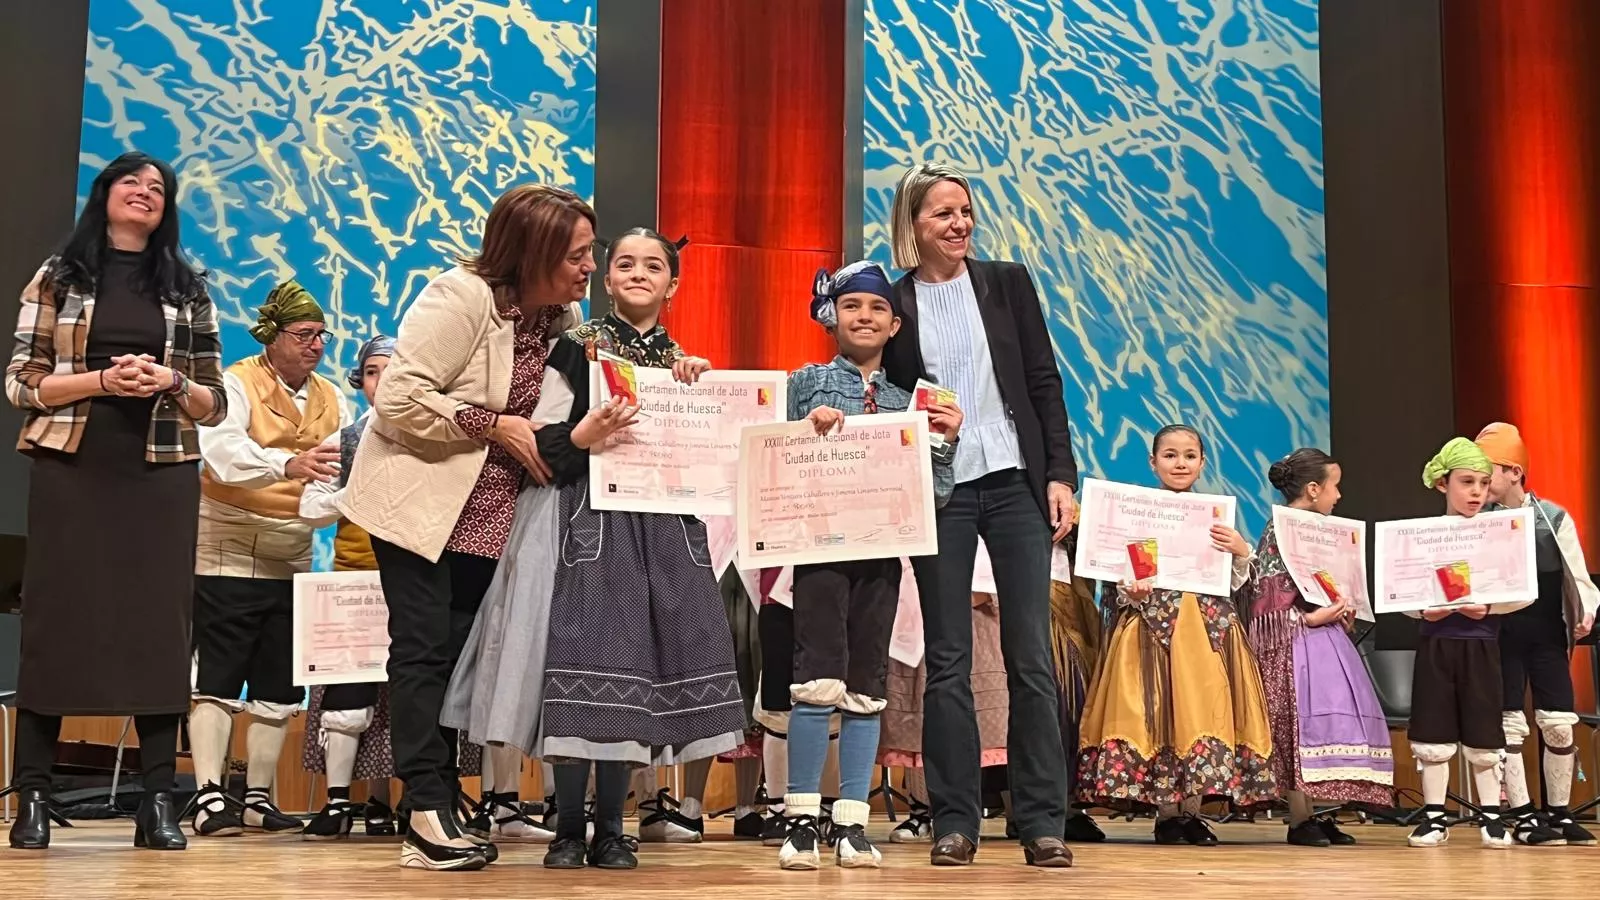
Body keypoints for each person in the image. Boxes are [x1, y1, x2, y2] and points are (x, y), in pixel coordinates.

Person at [340, 184, 591, 871]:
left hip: (491, 514)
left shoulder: (555, 320)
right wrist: (495, 425)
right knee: (421, 652)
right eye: (577, 254)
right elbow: (398, 397)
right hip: (423, 503)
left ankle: (443, 796)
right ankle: (424, 810)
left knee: (457, 661)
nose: (588, 267)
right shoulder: (462, 297)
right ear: (535, 250)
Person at [4, 151, 226, 852]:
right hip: (74, 466)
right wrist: (101, 379)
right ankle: (32, 797)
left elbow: (213, 401)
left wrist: (167, 380)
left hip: (158, 473)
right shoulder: (59, 275)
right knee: (56, 620)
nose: (145, 192)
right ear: (104, 195)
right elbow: (21, 383)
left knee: (159, 628)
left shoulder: (188, 288)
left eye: (158, 187)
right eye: (131, 181)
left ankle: (158, 800)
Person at [882, 163, 1077, 868]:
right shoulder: (894, 298)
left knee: (1031, 658)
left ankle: (1041, 821)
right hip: (941, 491)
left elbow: (1042, 383)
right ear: (914, 226)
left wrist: (1060, 475)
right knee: (949, 662)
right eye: (943, 214)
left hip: (1016, 482)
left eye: (965, 210)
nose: (960, 223)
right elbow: (884, 394)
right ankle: (955, 821)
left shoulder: (1007, 281)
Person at [528, 228, 741, 871]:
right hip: (593, 520)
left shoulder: (683, 364)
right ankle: (568, 826)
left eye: (655, 266)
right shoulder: (575, 348)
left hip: (664, 529)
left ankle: (615, 827)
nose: (639, 273)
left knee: (638, 671)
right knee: (585, 663)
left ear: (673, 285)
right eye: (625, 263)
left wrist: (696, 388)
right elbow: (548, 432)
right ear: (607, 278)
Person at [776, 260, 962, 870]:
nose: (864, 316)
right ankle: (801, 818)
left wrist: (944, 441)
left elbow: (935, 494)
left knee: (865, 685)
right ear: (832, 315)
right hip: (821, 552)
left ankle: (852, 822)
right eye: (853, 305)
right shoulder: (803, 382)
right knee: (815, 676)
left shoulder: (915, 401)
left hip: (881, 557)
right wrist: (808, 431)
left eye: (877, 309)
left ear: (895, 324)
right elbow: (770, 464)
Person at [189, 280, 354, 839]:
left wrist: (333, 501)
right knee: (217, 674)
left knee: (278, 684)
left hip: (292, 552)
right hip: (228, 546)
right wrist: (288, 466)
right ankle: (210, 793)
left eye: (321, 336)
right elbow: (223, 453)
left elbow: (334, 471)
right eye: (304, 335)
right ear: (272, 337)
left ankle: (257, 796)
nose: (315, 345)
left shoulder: (332, 397)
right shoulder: (235, 383)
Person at [1077, 425, 1276, 844]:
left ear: (1202, 462)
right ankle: (1166, 814)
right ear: (1153, 462)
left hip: (1206, 627)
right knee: (1157, 712)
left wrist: (1241, 550)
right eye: (1170, 455)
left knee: (1201, 711)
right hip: (1151, 624)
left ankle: (1191, 812)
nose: (1180, 463)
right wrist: (1129, 588)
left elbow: (1237, 582)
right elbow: (1119, 569)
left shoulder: (1214, 516)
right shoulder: (1136, 512)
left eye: (1189, 455)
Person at [1245, 448, 1394, 846]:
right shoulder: (1280, 530)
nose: (1338, 495)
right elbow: (1266, 598)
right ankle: (1299, 816)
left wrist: (1342, 609)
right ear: (1313, 489)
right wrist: (1310, 619)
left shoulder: (1323, 532)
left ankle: (1315, 813)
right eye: (1334, 486)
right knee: (1298, 723)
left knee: (1326, 722)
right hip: (1296, 641)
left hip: (1326, 637)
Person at [1404, 437, 1534, 848]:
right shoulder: (1421, 536)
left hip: (1481, 644)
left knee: (1483, 729)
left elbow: (1523, 589)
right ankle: (1434, 818)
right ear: (1443, 485)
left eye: (1482, 482)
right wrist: (1426, 611)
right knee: (1433, 729)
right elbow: (1400, 591)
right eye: (1466, 482)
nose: (1476, 492)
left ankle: (1492, 816)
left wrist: (1490, 608)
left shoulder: (1499, 533)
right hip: (1437, 645)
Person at [296, 334, 402, 839]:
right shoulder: (344, 440)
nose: (383, 382)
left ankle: (387, 802)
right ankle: (339, 802)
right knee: (348, 695)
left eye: (393, 370)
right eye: (374, 371)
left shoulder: (425, 437)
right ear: (361, 381)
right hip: (355, 582)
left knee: (406, 694)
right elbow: (310, 509)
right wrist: (353, 492)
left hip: (411, 582)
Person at [1476, 423, 1599, 846]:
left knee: (1560, 725)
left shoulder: (1554, 517)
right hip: (1500, 632)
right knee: (1510, 724)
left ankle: (1560, 813)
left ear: (1513, 471)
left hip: (1545, 631)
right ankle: (1524, 815)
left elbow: (1576, 571)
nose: (1479, 481)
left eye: (1486, 470)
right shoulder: (1478, 523)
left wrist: (1585, 609)